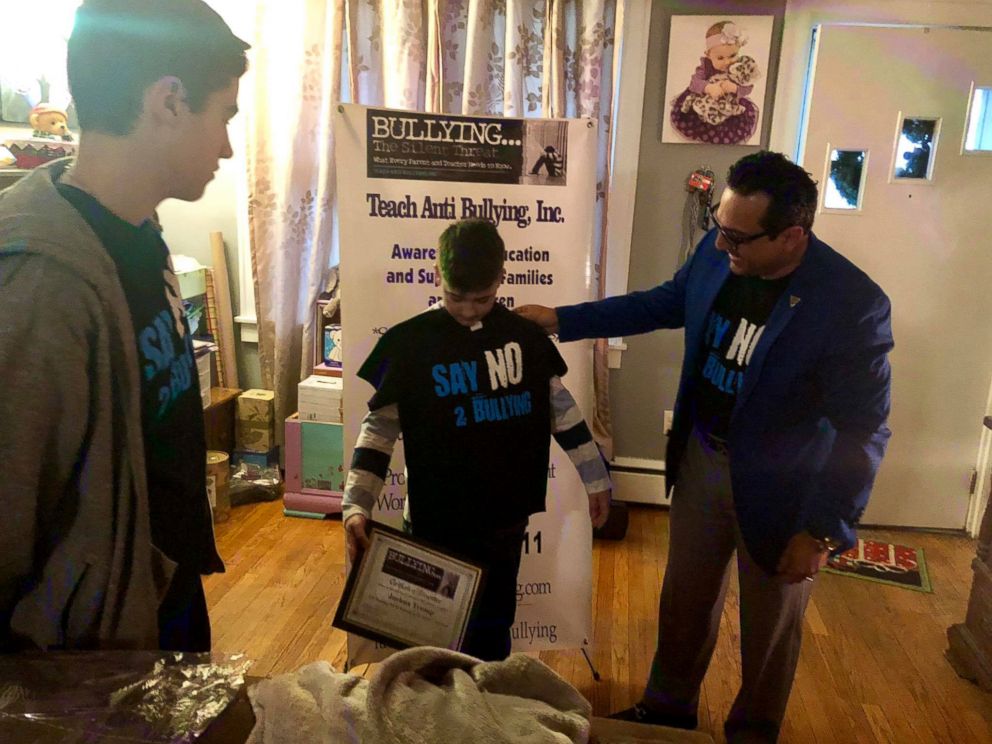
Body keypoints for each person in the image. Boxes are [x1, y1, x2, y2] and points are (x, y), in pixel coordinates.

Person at [516, 151, 893, 743]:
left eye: (739, 238)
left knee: (771, 628)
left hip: (784, 492)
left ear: (792, 235)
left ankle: (754, 732)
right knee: (684, 600)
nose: (722, 247)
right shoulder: (719, 254)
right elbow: (661, 303)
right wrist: (562, 318)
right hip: (702, 458)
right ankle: (667, 711)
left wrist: (823, 529)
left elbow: (864, 428)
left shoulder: (850, 304)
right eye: (720, 229)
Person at [0, 0, 250, 652]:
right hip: (88, 649)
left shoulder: (142, 234)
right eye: (223, 115)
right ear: (169, 101)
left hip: (159, 589)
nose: (226, 144)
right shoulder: (39, 282)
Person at [343, 218, 611, 661]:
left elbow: (562, 414)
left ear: (502, 279)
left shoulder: (525, 339)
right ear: (436, 277)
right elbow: (378, 432)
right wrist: (357, 504)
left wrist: (595, 479)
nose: (468, 310)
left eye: (482, 299)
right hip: (435, 516)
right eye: (455, 297)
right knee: (432, 632)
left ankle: (488, 705)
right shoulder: (409, 344)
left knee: (493, 624)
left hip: (505, 516)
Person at [670, 21, 759, 145]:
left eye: (732, 55)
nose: (727, 62)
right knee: (696, 120)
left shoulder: (740, 66)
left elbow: (748, 87)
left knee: (732, 125)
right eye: (720, 58)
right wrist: (708, 87)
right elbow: (694, 83)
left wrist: (735, 88)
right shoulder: (706, 66)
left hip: (729, 105)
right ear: (709, 55)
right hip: (704, 103)